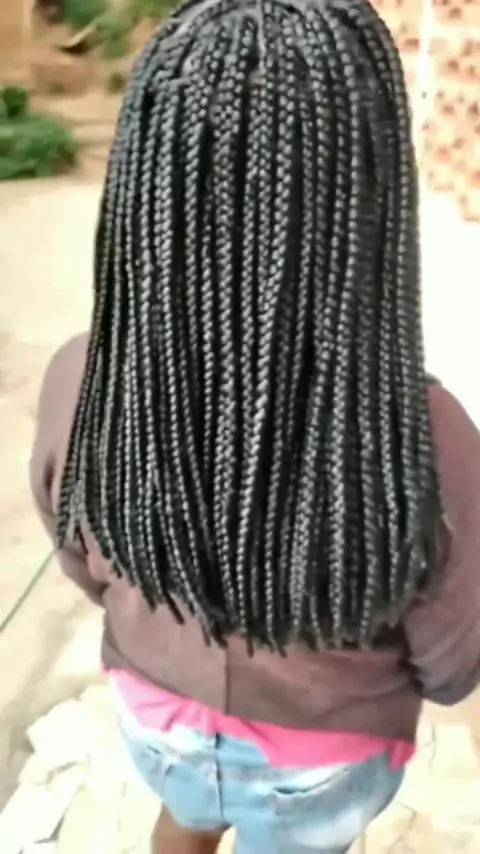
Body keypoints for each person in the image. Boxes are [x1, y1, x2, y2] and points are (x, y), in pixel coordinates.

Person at [30, 0, 480, 851]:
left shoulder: (79, 378)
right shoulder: (424, 438)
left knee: (182, 820)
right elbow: (453, 656)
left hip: (157, 721)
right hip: (326, 758)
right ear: (368, 180)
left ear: (144, 177)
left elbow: (85, 557)